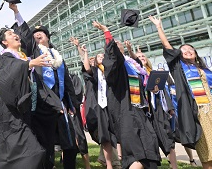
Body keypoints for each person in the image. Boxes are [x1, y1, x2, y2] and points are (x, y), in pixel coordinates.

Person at [150, 15, 212, 169]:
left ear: (195, 53)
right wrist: (159, 27)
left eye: (190, 49)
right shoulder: (179, 69)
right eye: (183, 50)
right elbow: (168, 48)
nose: (187, 50)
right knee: (205, 150)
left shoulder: (207, 71)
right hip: (199, 114)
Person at [9, 4, 76, 169]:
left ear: (47, 37)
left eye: (42, 33)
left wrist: (71, 103)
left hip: (59, 104)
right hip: (41, 103)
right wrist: (17, 12)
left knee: (70, 143)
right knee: (44, 142)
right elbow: (25, 32)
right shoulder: (34, 50)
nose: (37, 34)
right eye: (35, 34)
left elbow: (66, 81)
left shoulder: (57, 56)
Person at [92, 20, 160, 169]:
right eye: (113, 45)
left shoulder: (132, 65)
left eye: (118, 43)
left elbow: (143, 84)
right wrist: (106, 32)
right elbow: (115, 55)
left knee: (149, 151)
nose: (117, 45)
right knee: (136, 153)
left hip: (140, 110)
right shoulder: (113, 66)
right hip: (125, 111)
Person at [0, 25, 56, 168]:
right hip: (11, 114)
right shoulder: (4, 58)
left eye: (15, 33)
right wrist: (30, 64)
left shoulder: (22, 56)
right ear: (4, 42)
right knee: (31, 153)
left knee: (28, 153)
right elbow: (6, 76)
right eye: (10, 34)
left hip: (25, 111)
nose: (15, 35)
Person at [126, 42, 178, 169]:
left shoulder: (153, 73)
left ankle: (174, 166)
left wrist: (169, 108)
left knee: (167, 139)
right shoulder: (133, 74)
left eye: (143, 57)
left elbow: (165, 91)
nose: (142, 58)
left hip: (157, 110)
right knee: (149, 140)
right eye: (139, 57)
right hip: (142, 111)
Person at [73, 37, 116, 169]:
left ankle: (108, 159)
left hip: (110, 106)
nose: (95, 59)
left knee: (110, 134)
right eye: (95, 58)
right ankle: (111, 161)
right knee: (103, 134)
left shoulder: (109, 72)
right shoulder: (92, 74)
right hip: (95, 106)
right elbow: (85, 65)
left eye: (102, 56)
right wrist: (81, 49)